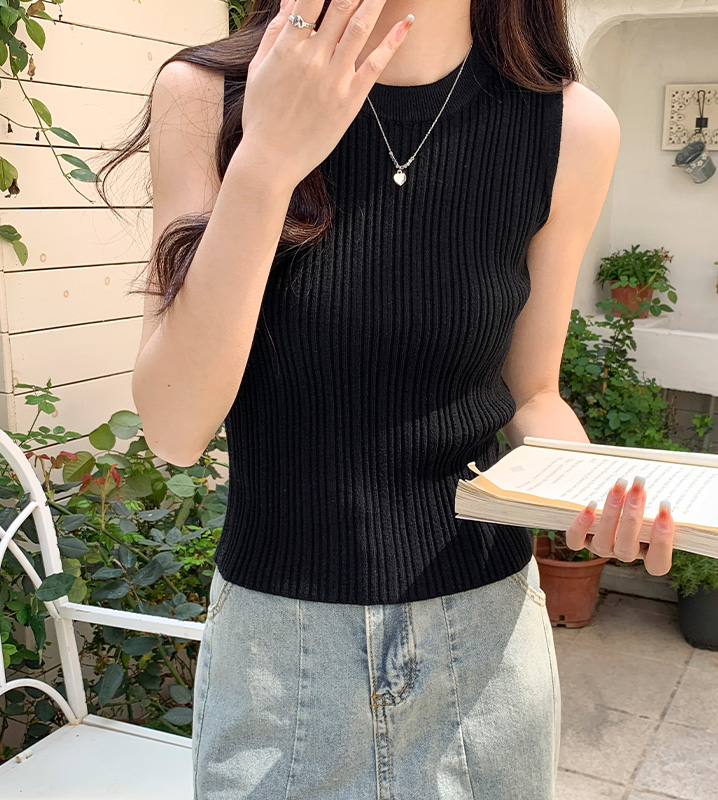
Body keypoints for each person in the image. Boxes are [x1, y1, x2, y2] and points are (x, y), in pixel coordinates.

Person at [124, 0, 677, 796]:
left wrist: (593, 490)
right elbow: (174, 428)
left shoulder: (571, 128)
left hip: (483, 647)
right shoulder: (211, 96)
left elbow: (533, 391)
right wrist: (269, 158)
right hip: (279, 655)